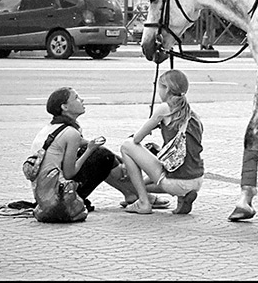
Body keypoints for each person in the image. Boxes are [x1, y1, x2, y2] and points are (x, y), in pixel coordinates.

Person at [30, 87, 168, 213]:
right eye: (76, 98)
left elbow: (85, 144)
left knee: (104, 156)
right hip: (60, 194)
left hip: (46, 192)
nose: (82, 100)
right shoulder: (70, 132)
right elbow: (69, 172)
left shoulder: (56, 128)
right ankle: (140, 193)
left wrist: (116, 159)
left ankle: (133, 193)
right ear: (64, 107)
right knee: (102, 156)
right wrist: (90, 150)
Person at [118, 70, 204, 215]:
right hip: (197, 179)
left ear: (167, 89)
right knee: (142, 184)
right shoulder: (192, 114)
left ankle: (144, 203)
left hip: (176, 181)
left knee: (126, 146)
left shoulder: (165, 108)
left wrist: (153, 125)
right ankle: (183, 198)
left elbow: (137, 139)